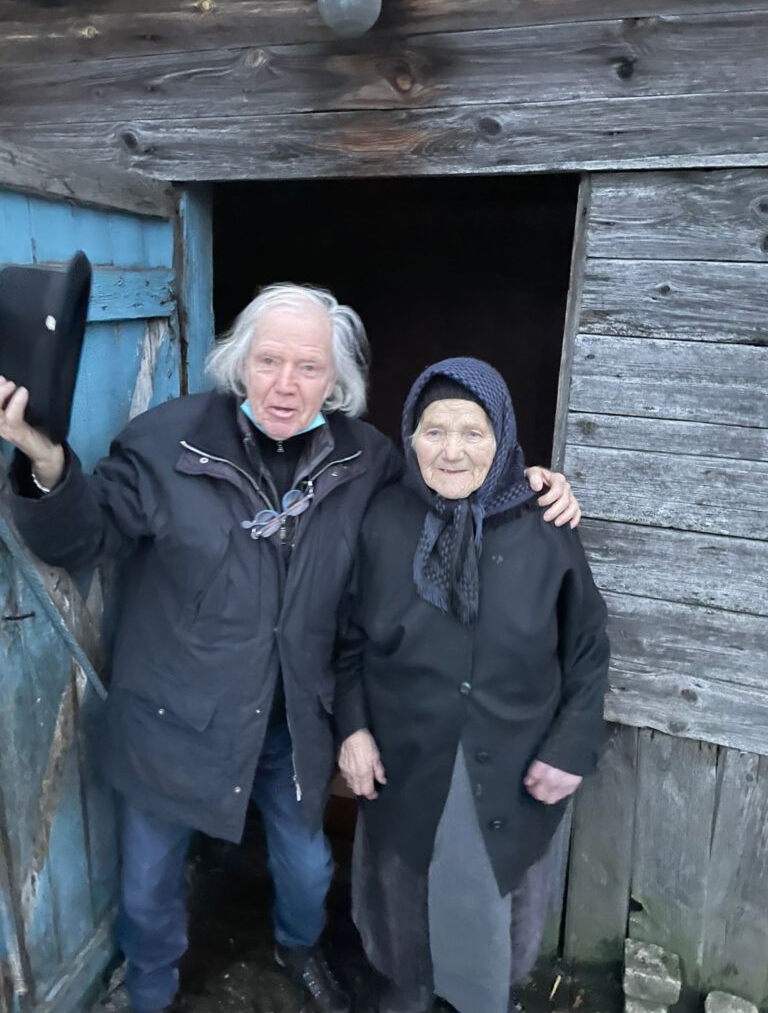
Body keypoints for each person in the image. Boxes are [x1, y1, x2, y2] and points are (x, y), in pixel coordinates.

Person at [0, 287, 581, 1013]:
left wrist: (524, 487)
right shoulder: (168, 440)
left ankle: (297, 948)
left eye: (308, 367)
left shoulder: (367, 460)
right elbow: (79, 538)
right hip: (173, 715)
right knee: (149, 884)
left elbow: (449, 490)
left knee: (308, 870)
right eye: (268, 360)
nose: (285, 383)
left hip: (293, 717)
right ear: (239, 363)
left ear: (336, 382)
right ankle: (150, 989)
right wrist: (45, 462)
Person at [335, 357, 610, 1013]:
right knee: (404, 922)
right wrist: (352, 729)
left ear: (505, 437)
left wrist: (570, 749)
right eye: (434, 431)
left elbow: (589, 648)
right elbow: (346, 643)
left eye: (473, 432)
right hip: (404, 766)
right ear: (409, 436)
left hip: (513, 769)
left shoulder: (547, 527)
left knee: (493, 928)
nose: (452, 451)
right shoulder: (381, 521)